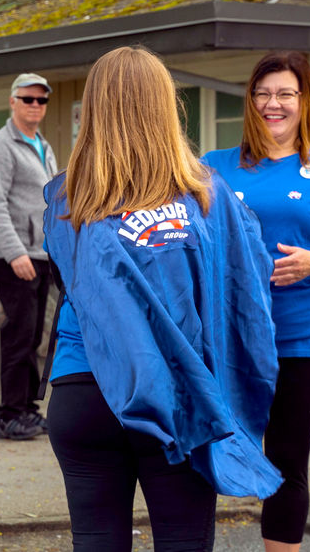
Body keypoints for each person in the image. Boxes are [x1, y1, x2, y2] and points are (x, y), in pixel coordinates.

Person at [43, 46, 281, 551]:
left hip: (84, 390)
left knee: (96, 541)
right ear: (165, 106)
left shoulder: (68, 198)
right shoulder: (208, 198)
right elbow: (247, 290)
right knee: (184, 541)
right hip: (178, 392)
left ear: (96, 109)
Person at [202, 50, 310, 552]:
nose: (271, 104)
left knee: (285, 459)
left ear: (305, 101)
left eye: (284, 93)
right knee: (205, 449)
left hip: (304, 339)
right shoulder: (212, 168)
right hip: (228, 339)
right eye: (262, 93)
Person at [0, 72, 59, 440]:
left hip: (40, 255)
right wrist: (15, 253)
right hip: (14, 258)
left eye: (41, 100)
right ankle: (9, 415)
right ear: (12, 101)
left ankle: (27, 410)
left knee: (32, 336)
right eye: (27, 99)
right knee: (19, 334)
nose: (34, 106)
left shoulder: (43, 145)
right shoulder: (1, 145)